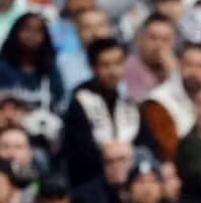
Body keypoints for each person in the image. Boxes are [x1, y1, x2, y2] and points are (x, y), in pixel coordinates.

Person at [62, 37, 160, 187]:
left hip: (132, 182)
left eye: (118, 64)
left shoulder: (129, 104)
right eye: (105, 65)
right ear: (93, 68)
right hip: (91, 182)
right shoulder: (80, 103)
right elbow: (80, 153)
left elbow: (148, 146)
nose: (113, 72)